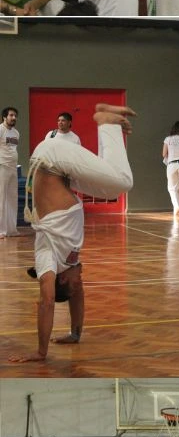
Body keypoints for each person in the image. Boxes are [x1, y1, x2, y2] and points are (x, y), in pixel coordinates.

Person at [7, 103, 134, 364]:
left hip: (51, 159)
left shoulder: (48, 261)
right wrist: (75, 334)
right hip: (58, 168)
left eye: (76, 283)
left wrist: (41, 352)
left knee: (123, 182)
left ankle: (107, 122)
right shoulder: (71, 264)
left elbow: (47, 301)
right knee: (112, 189)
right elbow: (76, 296)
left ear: (62, 280)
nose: (82, 281)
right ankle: (108, 125)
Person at [161, 120, 179, 216]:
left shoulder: (167, 139)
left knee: (172, 188)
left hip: (172, 164)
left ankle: (176, 207)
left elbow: (163, 154)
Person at [0, 107, 18, 238]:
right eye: (11, 115)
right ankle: (1, 230)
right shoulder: (0, 129)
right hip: (2, 166)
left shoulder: (16, 133)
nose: (14, 118)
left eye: (15, 115)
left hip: (13, 168)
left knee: (12, 198)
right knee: (1, 198)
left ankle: (11, 230)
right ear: (4, 117)